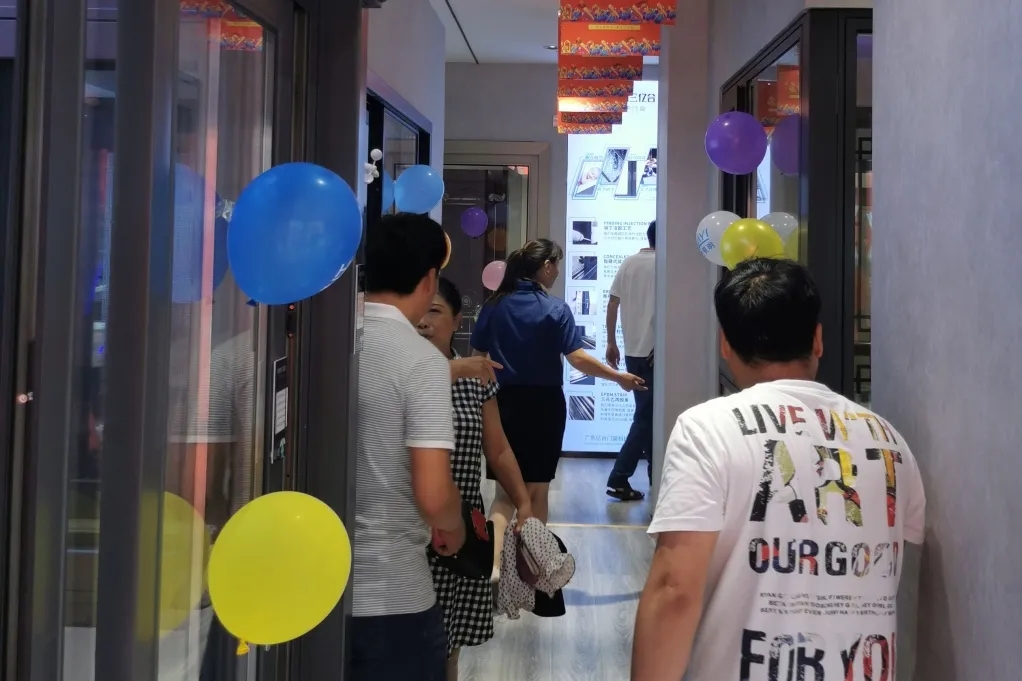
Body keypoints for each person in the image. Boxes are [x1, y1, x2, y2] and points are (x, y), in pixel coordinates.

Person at [632, 258, 925, 681]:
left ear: (726, 345)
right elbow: (897, 583)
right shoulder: (889, 441)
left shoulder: (707, 429)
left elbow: (675, 590)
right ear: (818, 340)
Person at [470, 238, 646, 571]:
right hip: (544, 407)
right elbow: (577, 359)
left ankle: (492, 570)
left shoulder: (494, 305)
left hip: (501, 404)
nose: (559, 272)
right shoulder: (555, 309)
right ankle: (532, 572)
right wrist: (618, 377)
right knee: (537, 493)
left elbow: (477, 358)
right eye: (557, 265)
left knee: (504, 495)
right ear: (546, 266)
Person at [352, 212, 466, 681]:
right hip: (390, 596)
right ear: (429, 280)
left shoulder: (325, 341)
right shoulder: (421, 361)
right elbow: (434, 497)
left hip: (304, 589)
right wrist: (455, 526)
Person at [417, 276, 534, 681]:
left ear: (456, 320)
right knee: (415, 642)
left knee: (450, 643)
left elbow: (497, 449)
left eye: (435, 312)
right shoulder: (399, 375)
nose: (423, 322)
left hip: (462, 527)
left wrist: (523, 501)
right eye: (418, 312)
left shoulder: (475, 379)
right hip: (412, 528)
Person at [605, 220, 657, 500]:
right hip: (654, 353)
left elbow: (613, 302)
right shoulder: (665, 265)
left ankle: (654, 477)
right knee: (646, 417)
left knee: (648, 416)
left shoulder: (629, 263)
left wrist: (611, 342)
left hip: (633, 351)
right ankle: (619, 477)